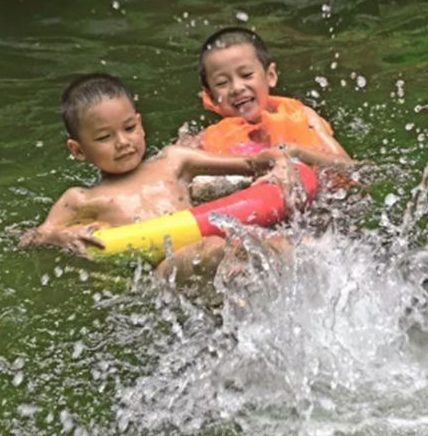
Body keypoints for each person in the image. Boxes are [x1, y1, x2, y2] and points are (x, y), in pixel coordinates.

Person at [19, 73, 302, 281]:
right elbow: (31, 238)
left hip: (211, 250)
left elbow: (253, 163)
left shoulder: (174, 161)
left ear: (140, 125)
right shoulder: (81, 199)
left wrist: (279, 163)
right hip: (163, 272)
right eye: (104, 137)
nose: (122, 142)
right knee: (215, 249)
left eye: (129, 128)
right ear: (78, 150)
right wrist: (62, 235)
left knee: (275, 243)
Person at [178, 26, 352, 166]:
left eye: (246, 75)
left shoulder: (305, 116)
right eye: (222, 83)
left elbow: (348, 166)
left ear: (270, 76)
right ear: (210, 96)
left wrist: (295, 152)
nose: (236, 88)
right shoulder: (205, 142)